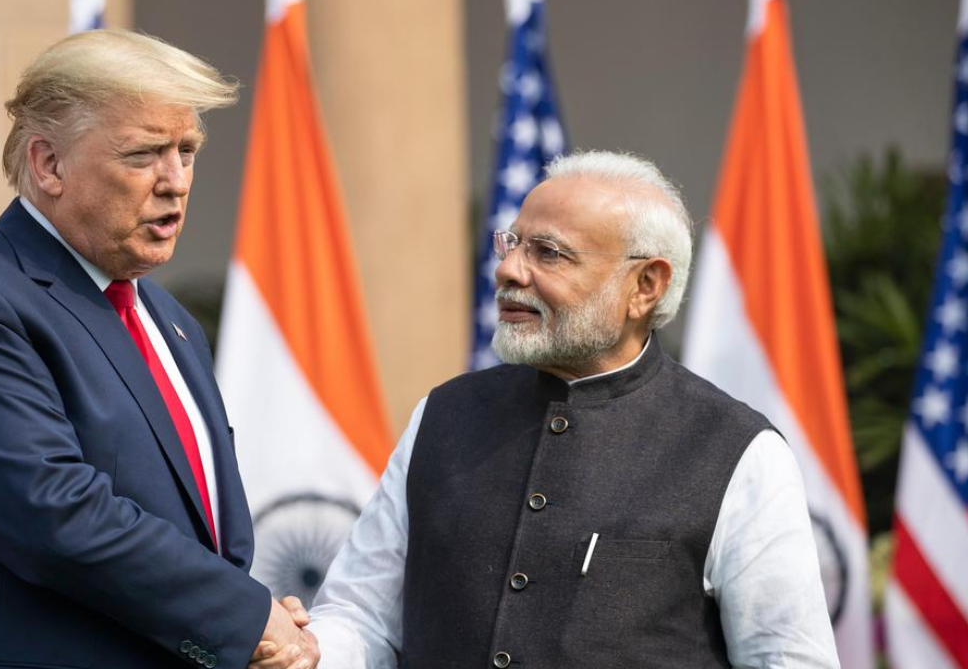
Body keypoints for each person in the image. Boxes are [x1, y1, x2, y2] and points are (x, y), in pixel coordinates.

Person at [0, 29, 318, 669]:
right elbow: (53, 516)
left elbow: (203, 531)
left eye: (187, 150)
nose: (176, 181)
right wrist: (244, 617)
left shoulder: (167, 318)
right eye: (144, 155)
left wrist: (251, 614)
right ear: (48, 164)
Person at [303, 151, 840, 669]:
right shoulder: (444, 416)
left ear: (645, 286)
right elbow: (361, 613)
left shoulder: (736, 450)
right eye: (511, 243)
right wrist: (303, 652)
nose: (509, 270)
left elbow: (787, 659)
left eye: (548, 253)